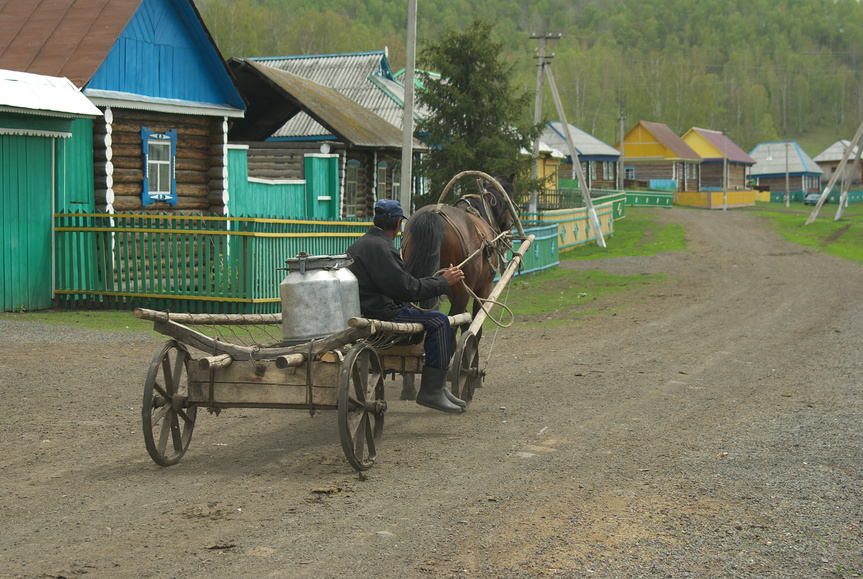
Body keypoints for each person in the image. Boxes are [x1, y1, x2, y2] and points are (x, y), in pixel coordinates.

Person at [346, 199, 466, 413]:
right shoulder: (382, 248)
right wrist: (443, 282)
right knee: (439, 320)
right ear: (398, 224)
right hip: (382, 314)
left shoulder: (359, 244)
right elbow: (406, 289)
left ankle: (438, 387)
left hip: (365, 309)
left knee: (431, 317)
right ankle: (431, 390)